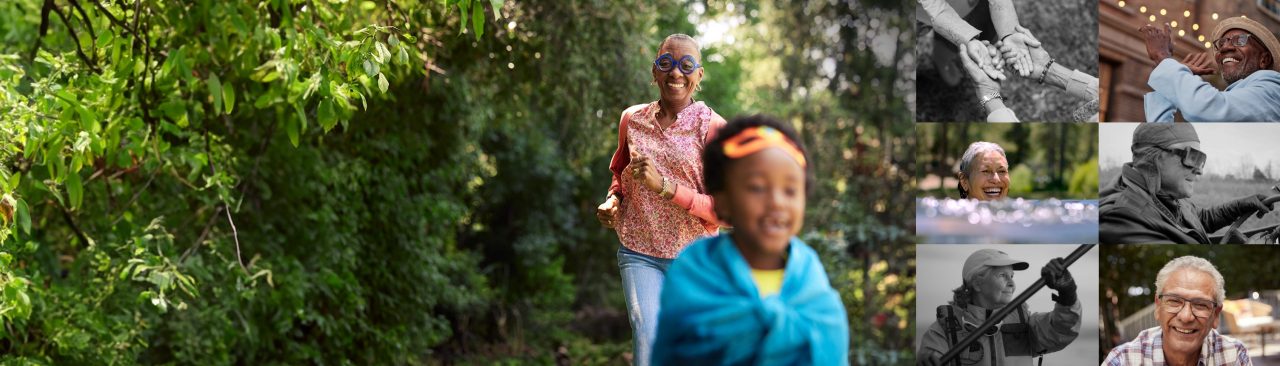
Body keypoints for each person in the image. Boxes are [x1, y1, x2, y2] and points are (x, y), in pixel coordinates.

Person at [650, 115, 849, 365]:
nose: (777, 202)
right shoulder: (693, 274)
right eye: (756, 187)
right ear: (722, 200)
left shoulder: (813, 288)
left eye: (790, 190)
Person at [595, 33, 727, 366]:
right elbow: (620, 174)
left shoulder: (713, 129)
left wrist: (665, 186)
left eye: (686, 65)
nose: (676, 73)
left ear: (699, 75)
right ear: (655, 70)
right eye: (666, 63)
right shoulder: (632, 119)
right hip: (639, 250)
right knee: (647, 336)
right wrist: (613, 200)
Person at [1099, 123, 1275, 244]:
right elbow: (1181, 268)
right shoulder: (1123, 216)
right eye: (1192, 158)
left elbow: (1204, 218)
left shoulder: (1165, 193)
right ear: (1154, 157)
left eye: (1201, 160)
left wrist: (1240, 205)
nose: (1199, 170)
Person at [917, 249, 1081, 366]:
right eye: (1002, 276)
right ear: (977, 283)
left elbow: (1061, 332)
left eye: (1011, 276)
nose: (1011, 283)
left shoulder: (1025, 322)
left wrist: (1068, 293)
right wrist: (927, 359)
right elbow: (930, 354)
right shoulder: (944, 329)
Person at [1103, 256, 1252, 365]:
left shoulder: (1234, 355)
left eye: (1200, 304)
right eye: (1174, 301)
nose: (1186, 317)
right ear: (1158, 307)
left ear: (1216, 315)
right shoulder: (1123, 360)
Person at [1140, 17, 1280, 122]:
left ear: (1264, 60)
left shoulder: (1272, 89)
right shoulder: (1233, 99)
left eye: (1240, 40)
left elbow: (1203, 107)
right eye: (1221, 43)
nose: (1225, 47)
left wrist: (1163, 58)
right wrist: (1168, 74)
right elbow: (1160, 143)